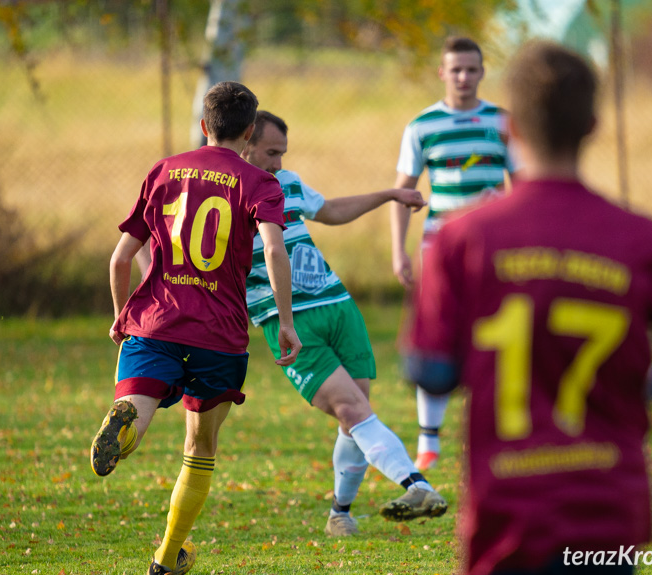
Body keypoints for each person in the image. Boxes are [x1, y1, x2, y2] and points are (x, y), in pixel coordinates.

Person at [407, 40, 652, 575]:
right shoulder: (642, 239)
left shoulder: (463, 240)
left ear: (510, 131)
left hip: (507, 514)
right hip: (606, 515)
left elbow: (431, 370)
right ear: (594, 126)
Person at [89, 82, 301, 575]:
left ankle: (123, 423)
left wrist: (123, 315)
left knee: (137, 409)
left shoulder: (164, 171)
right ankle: (167, 557)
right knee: (199, 447)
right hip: (219, 334)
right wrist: (286, 323)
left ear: (204, 126)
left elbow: (121, 257)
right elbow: (272, 250)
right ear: (250, 132)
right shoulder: (261, 183)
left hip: (156, 321)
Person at [241, 110, 447, 537]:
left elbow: (330, 210)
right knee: (353, 410)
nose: (278, 163)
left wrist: (390, 194)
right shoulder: (225, 195)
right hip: (289, 321)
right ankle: (417, 484)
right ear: (245, 142)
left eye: (282, 153)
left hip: (338, 306)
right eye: (271, 152)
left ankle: (340, 513)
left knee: (356, 417)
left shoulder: (287, 183)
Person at [390, 36, 519, 471]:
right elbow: (404, 192)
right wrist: (398, 251)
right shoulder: (421, 125)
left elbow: (524, 189)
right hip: (438, 252)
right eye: (456, 69)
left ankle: (491, 431)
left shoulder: (504, 123)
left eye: (472, 69)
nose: (464, 77)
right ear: (442, 73)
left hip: (493, 252)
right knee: (436, 337)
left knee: (496, 335)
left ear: (482, 72)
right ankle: (429, 442)